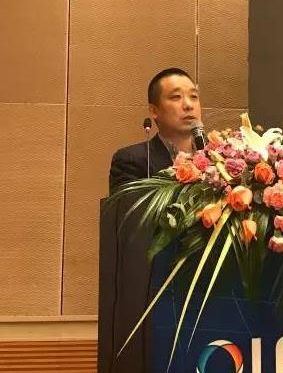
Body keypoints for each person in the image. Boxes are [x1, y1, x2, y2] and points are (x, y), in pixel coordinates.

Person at [99, 68, 202, 373]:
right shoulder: (133, 160)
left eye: (194, 97)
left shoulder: (222, 161)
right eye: (176, 97)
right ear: (154, 111)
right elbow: (130, 221)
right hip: (155, 295)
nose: (188, 105)